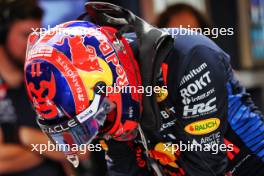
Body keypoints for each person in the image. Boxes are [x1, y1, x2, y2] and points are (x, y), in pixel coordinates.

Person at [24, 2, 264, 176]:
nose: (97, 131)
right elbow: (124, 168)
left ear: (110, 80)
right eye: (85, 128)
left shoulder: (188, 57)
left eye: (91, 122)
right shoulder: (108, 105)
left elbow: (206, 167)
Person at [0, 0, 75, 175]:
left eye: (37, 36)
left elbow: (78, 149)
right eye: (25, 35)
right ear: (2, 35)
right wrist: (49, 150)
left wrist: (19, 135)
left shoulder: (47, 81)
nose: (34, 44)